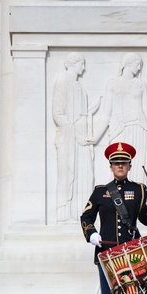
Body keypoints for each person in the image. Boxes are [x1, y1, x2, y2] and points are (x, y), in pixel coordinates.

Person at [79, 141, 147, 294]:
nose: (120, 166)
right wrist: (91, 234)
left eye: (124, 162)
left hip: (131, 251)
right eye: (116, 163)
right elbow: (86, 217)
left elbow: (145, 220)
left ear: (130, 165)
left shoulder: (139, 189)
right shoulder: (100, 191)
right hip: (106, 251)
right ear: (111, 166)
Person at [52, 52, 101, 222]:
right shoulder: (62, 82)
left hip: (80, 138)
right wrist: (75, 135)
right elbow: (58, 114)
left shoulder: (79, 86)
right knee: (67, 174)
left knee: (86, 175)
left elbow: (80, 114)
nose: (84, 67)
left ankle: (84, 215)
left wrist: (90, 111)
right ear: (73, 64)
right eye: (82, 63)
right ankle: (65, 214)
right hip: (69, 139)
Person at [101, 53, 147, 179]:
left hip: (139, 129)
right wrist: (95, 136)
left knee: (139, 170)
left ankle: (140, 198)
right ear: (128, 64)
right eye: (137, 64)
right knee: (118, 165)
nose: (139, 68)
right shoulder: (113, 83)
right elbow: (106, 114)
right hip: (119, 128)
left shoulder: (141, 84)